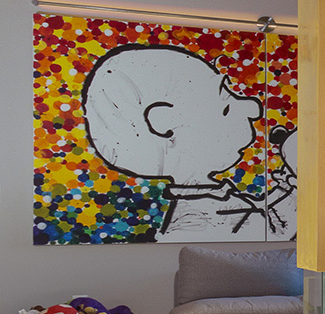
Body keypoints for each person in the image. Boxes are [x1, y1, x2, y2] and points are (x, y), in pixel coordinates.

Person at [81, 44, 277, 241]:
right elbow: (276, 228)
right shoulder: (198, 217)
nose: (253, 109)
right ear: (167, 122)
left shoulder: (215, 201)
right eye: (225, 106)